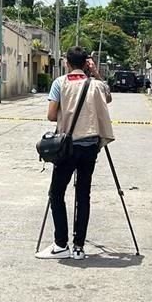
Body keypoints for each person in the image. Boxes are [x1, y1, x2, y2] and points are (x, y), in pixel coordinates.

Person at [36, 47, 114, 261]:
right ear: (86, 63)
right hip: (90, 147)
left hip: (67, 147)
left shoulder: (59, 83)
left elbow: (52, 116)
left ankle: (61, 244)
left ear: (66, 63)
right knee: (83, 194)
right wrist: (95, 73)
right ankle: (79, 246)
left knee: (57, 194)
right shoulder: (96, 85)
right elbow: (108, 98)